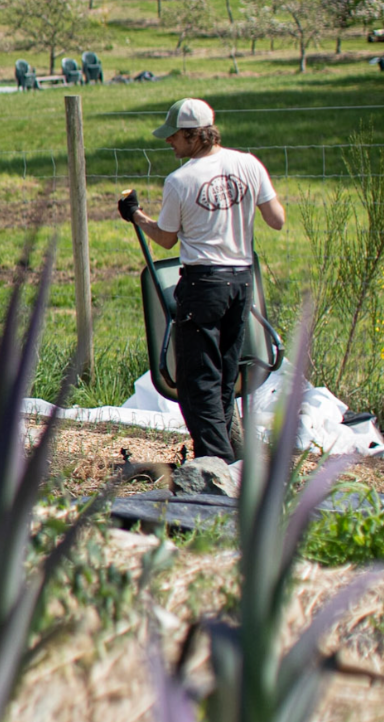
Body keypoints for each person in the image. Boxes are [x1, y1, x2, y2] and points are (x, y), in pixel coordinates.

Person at [118, 98, 285, 462]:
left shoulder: (180, 181)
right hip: (241, 282)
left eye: (174, 136)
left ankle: (216, 468)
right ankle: (234, 463)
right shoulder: (248, 164)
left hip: (203, 285)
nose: (169, 142)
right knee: (226, 376)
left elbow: (165, 238)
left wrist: (135, 215)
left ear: (194, 136)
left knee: (197, 385)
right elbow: (277, 219)